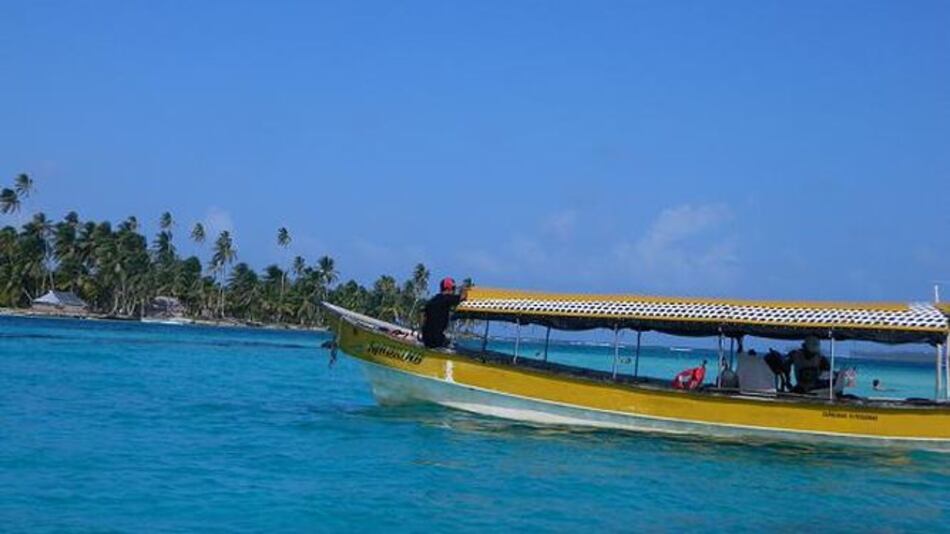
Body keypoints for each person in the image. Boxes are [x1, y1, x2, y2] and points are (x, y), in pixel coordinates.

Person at [421, 277, 467, 349]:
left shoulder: (433, 300)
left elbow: (423, 317)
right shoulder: (447, 299)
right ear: (450, 288)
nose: (454, 291)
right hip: (436, 337)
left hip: (425, 336)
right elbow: (463, 297)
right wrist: (464, 288)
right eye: (453, 288)